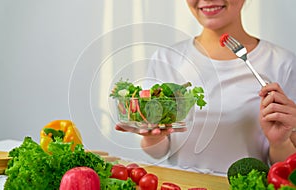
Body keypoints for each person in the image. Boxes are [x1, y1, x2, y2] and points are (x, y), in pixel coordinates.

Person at [115, 0, 296, 175]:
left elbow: (288, 168)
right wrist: (152, 137)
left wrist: (280, 142)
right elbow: (158, 152)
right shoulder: (166, 59)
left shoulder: (282, 64)